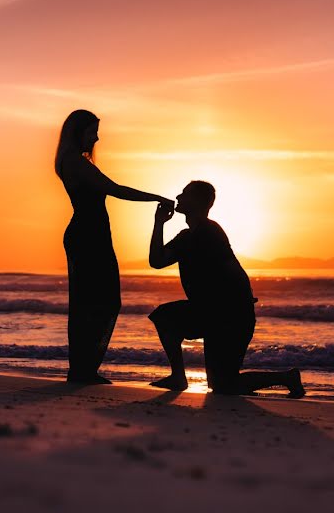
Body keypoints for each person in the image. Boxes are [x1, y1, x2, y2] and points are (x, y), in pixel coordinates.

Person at [148, 180, 305, 397]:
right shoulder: (186, 236)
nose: (178, 197)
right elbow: (156, 261)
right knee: (164, 316)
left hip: (231, 316)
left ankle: (286, 378)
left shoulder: (209, 232)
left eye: (185, 194)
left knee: (223, 385)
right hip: (209, 313)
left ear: (199, 202)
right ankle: (178, 377)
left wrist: (243, 299)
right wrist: (159, 223)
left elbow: (233, 270)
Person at [55, 109, 173, 384]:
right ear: (79, 132)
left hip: (91, 234)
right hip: (87, 236)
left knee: (95, 301)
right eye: (92, 131)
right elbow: (116, 189)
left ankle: (83, 369)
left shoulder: (76, 161)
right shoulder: (76, 163)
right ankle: (83, 369)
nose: (97, 137)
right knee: (99, 302)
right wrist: (155, 197)